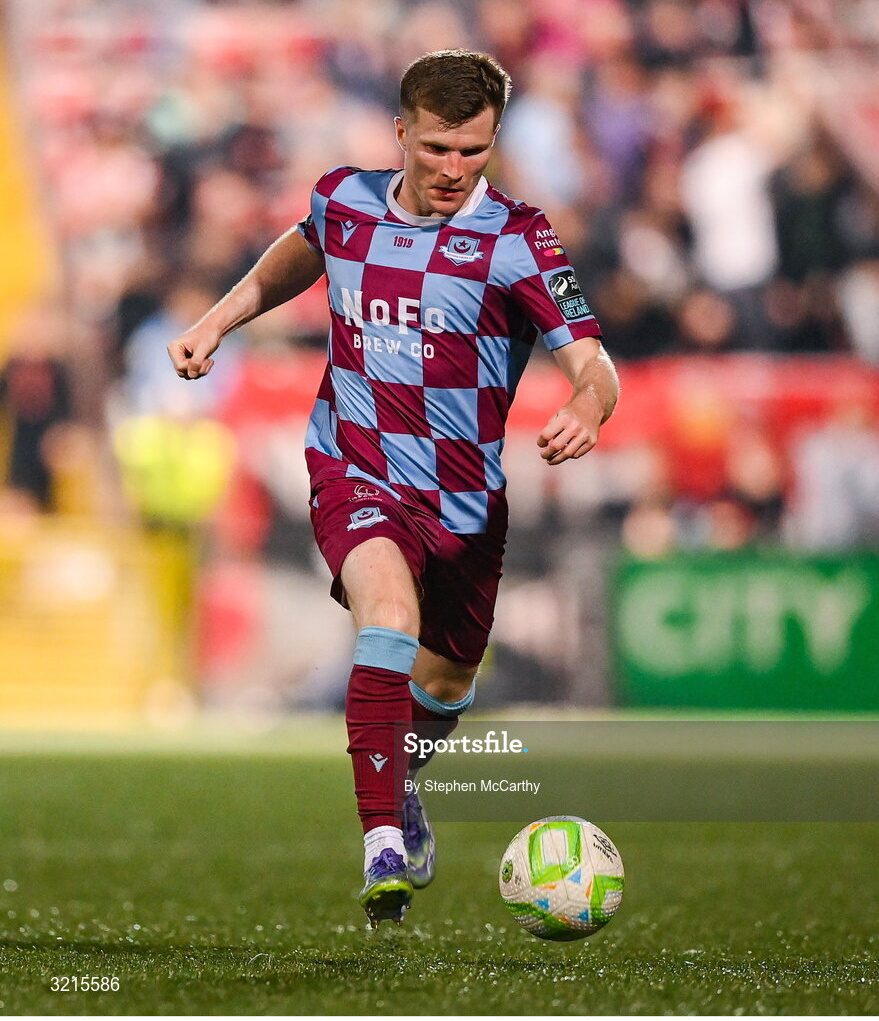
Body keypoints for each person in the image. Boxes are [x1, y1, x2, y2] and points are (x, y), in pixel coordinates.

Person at [167, 49, 619, 928]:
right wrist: (217, 320)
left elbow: (590, 357)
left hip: (464, 503)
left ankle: (401, 782)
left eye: (474, 152)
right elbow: (298, 254)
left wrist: (588, 404)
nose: (454, 171)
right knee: (388, 620)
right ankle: (381, 842)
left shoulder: (519, 239)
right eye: (439, 148)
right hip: (355, 467)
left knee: (446, 684)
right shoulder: (344, 199)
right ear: (402, 132)